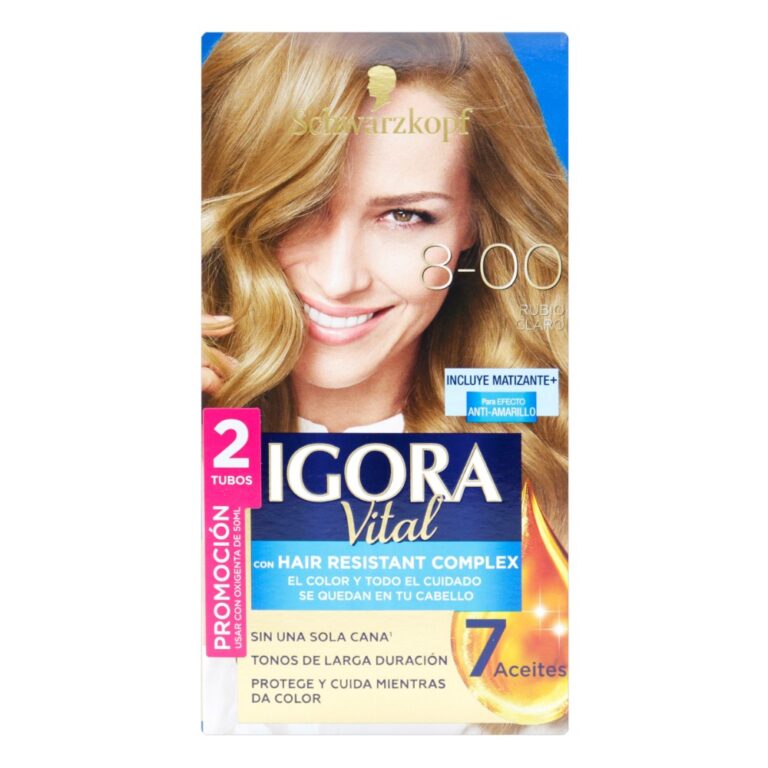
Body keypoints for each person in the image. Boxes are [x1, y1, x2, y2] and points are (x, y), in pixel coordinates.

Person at [201, 32, 568, 734]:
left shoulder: (551, 470)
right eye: (298, 204)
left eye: (405, 215)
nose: (340, 279)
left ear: (475, 220)